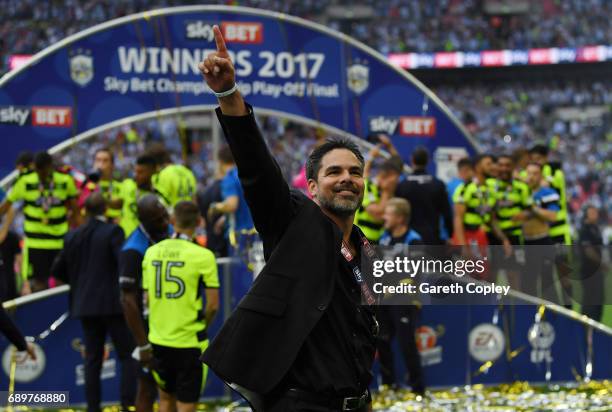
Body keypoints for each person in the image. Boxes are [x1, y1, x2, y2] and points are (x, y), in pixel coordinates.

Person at [199, 26, 377, 412]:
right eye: (334, 172)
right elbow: (257, 170)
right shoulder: (294, 221)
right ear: (312, 186)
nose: (346, 178)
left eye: (355, 172)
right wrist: (229, 95)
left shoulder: (365, 248)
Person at [51, 193, 137, 412]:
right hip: (112, 305)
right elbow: (123, 263)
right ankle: (128, 405)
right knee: (127, 355)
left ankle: (93, 408)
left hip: (84, 305)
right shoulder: (113, 232)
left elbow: (57, 270)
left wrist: (80, 283)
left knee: (92, 359)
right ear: (105, 209)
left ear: (84, 211)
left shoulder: (72, 236)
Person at [142, 201, 219, 412]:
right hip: (189, 341)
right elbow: (213, 305)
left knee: (165, 400)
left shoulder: (151, 252)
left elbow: (147, 300)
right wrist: (202, 324)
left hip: (158, 339)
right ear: (199, 222)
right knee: (187, 406)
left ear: (172, 221)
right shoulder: (204, 256)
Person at [119, 194, 170, 412]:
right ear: (145, 221)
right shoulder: (133, 249)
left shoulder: (164, 234)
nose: (165, 222)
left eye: (165, 215)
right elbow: (127, 300)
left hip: (168, 323)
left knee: (170, 386)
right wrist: (143, 345)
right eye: (159, 219)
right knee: (147, 387)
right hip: (146, 329)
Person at [0, 151, 78, 292]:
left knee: (62, 284)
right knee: (37, 285)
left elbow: (76, 210)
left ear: (50, 167)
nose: (40, 174)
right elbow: (6, 207)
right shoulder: (25, 181)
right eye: (37, 170)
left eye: (43, 170)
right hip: (35, 243)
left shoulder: (65, 180)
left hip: (59, 242)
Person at [377, 198, 424, 394]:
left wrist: (391, 289)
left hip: (404, 299)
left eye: (388, 213)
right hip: (384, 300)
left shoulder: (414, 240)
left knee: (407, 343)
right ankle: (389, 386)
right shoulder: (384, 238)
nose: (383, 217)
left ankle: (418, 389)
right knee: (382, 340)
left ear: (400, 218)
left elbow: (414, 274)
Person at [395, 146, 452, 245]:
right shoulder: (438, 184)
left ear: (412, 160)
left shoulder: (402, 185)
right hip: (432, 239)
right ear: (428, 161)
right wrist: (451, 235)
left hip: (408, 239)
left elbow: (396, 213)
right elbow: (447, 214)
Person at [520, 163, 560, 301]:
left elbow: (553, 216)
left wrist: (533, 208)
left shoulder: (548, 193)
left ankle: (553, 320)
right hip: (525, 242)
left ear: (541, 176)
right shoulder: (520, 192)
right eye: (528, 173)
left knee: (548, 285)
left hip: (542, 241)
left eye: (535, 173)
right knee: (526, 285)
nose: (531, 177)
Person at [208, 145, 255, 248]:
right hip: (255, 231)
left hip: (239, 235)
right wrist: (224, 219)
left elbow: (232, 205)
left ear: (220, 161)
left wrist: (215, 207)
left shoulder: (229, 179)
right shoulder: (245, 175)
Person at [121, 154, 170, 238]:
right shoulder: (127, 185)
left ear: (152, 171)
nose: (135, 175)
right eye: (135, 171)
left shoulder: (161, 194)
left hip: (150, 241)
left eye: (140, 172)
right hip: (127, 240)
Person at [79, 148, 124, 223]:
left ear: (112, 165)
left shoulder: (121, 186)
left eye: (105, 161)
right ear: (93, 163)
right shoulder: (86, 186)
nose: (101, 164)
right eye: (98, 160)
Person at [578, 205, 604, 322]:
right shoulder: (585, 230)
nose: (595, 214)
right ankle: (585, 329)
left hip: (597, 271)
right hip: (588, 271)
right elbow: (588, 251)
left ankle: (596, 329)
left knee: (598, 301)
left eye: (595, 212)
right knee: (590, 302)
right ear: (586, 215)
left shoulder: (595, 228)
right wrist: (602, 263)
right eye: (592, 212)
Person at [196, 178, 229, 257]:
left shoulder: (207, 191)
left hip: (212, 237)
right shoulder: (228, 185)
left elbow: (202, 217)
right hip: (225, 237)